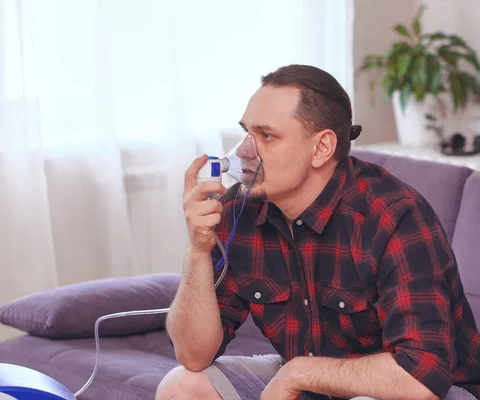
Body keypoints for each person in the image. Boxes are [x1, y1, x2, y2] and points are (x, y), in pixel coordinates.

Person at [155, 64, 480, 400]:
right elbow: (193, 355)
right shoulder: (241, 211)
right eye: (246, 133)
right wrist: (197, 249)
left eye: (266, 136)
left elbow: (421, 377)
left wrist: (297, 373)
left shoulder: (393, 215)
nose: (244, 152)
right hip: (317, 382)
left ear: (322, 147)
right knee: (182, 385)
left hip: (425, 389)